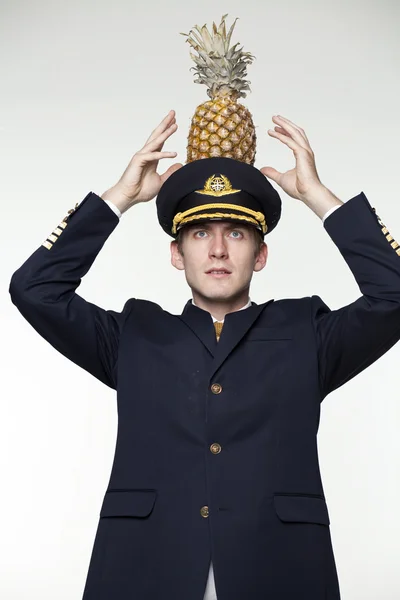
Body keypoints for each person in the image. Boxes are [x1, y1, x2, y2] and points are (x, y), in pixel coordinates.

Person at [9, 110, 400, 600]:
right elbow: (34, 289)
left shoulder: (308, 334)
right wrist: (119, 199)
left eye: (236, 233)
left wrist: (319, 197)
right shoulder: (133, 336)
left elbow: (395, 295)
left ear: (260, 255)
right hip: (145, 570)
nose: (217, 249)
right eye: (200, 234)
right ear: (177, 254)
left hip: (280, 570)